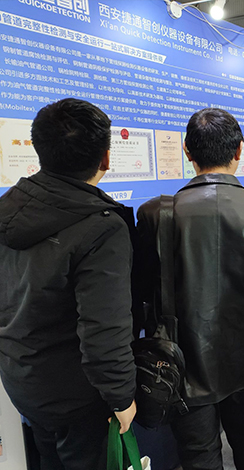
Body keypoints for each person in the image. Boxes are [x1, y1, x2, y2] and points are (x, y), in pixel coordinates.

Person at [137, 108, 244, 470]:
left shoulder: (154, 213)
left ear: (187, 150)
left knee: (198, 456)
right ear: (239, 150)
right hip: (243, 360)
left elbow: (141, 291)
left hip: (181, 365)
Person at [0, 98, 138, 469]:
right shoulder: (101, 227)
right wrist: (121, 396)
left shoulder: (9, 208)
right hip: (78, 396)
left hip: (23, 380)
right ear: (105, 158)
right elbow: (104, 328)